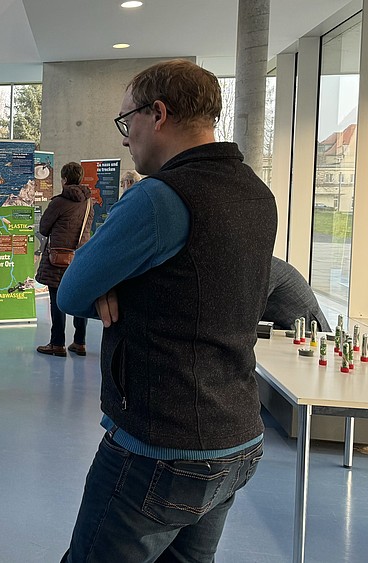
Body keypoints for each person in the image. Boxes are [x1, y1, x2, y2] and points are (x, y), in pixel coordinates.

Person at [56, 59, 277, 562]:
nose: (125, 136)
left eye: (126, 120)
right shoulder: (256, 194)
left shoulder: (159, 199)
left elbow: (71, 291)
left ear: (158, 114)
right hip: (236, 439)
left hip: (160, 446)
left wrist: (118, 287)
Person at [35, 162, 93, 357]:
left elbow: (43, 228)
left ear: (65, 179)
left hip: (58, 258)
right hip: (80, 257)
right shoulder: (88, 202)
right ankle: (80, 342)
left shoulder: (59, 202)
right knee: (79, 298)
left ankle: (57, 343)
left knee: (57, 300)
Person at [263, 256, 331, 332]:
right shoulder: (265, 264)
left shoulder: (265, 268)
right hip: (288, 328)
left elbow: (251, 310)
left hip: (306, 331)